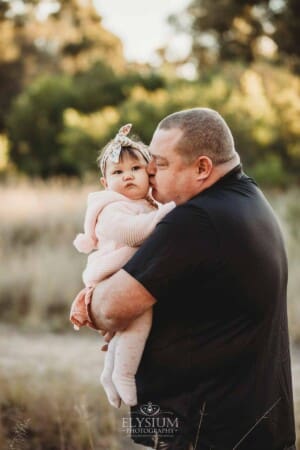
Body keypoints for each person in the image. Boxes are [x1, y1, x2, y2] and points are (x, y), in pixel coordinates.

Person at [76, 108, 296, 450]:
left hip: (206, 431)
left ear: (203, 167)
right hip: (251, 425)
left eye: (160, 164)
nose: (149, 172)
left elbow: (112, 309)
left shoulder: (194, 221)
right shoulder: (248, 198)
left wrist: (91, 302)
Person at [70, 123, 175, 409]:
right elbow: (134, 233)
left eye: (136, 169)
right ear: (105, 183)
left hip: (127, 274)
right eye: (117, 172)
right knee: (139, 318)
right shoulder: (111, 209)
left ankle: (109, 373)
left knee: (125, 328)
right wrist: (168, 213)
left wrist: (159, 209)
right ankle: (124, 373)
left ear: (150, 173)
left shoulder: (148, 204)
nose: (127, 176)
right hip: (110, 276)